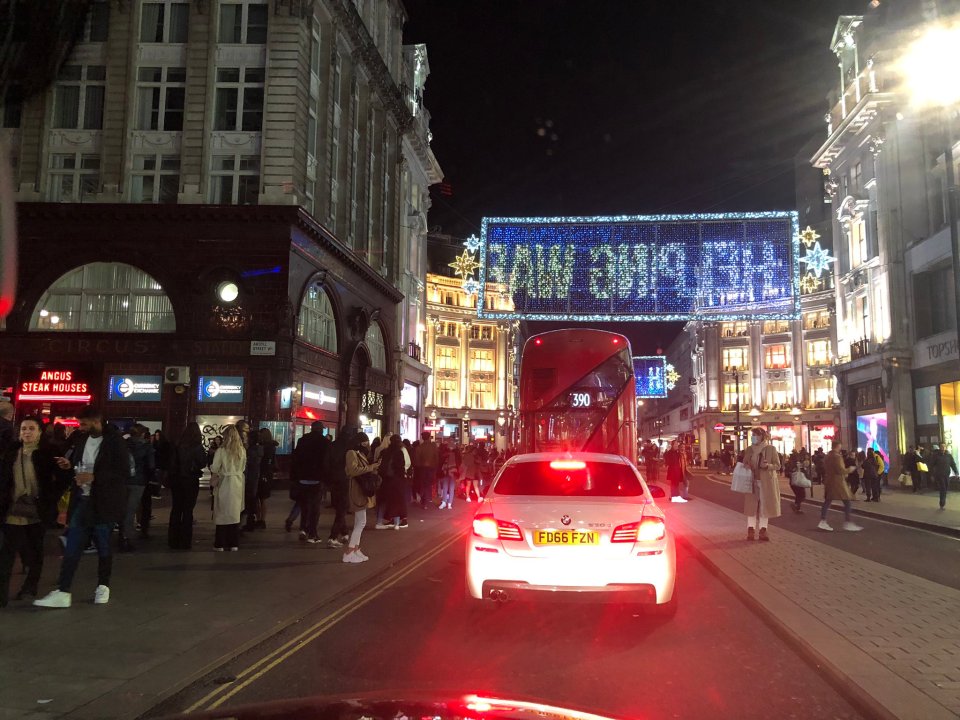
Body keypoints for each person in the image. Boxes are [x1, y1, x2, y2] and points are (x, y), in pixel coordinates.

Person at [35, 406, 131, 608]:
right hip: (83, 499)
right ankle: (63, 589)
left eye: (84, 423)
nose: (81, 427)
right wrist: (69, 467)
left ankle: (103, 585)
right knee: (73, 544)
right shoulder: (81, 439)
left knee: (104, 544)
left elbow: (123, 471)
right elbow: (80, 465)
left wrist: (96, 477)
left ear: (96, 421)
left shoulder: (114, 442)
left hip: (104, 501)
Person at [0, 416, 71, 606]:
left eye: (31, 428)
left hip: (37, 510)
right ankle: (2, 595)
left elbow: (64, 477)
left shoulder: (49, 452)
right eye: (23, 429)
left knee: (34, 551)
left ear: (40, 431)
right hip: (12, 510)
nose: (27, 432)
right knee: (6, 553)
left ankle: (30, 585)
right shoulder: (12, 451)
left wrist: (51, 496)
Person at [166, 423, 207, 550]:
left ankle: (173, 539)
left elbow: (171, 462)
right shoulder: (197, 446)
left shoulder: (177, 444)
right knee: (188, 510)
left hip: (176, 480)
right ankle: (185, 541)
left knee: (176, 508)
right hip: (190, 479)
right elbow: (202, 462)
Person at [288, 421, 328, 543]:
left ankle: (303, 529)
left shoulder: (302, 440)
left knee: (304, 506)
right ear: (321, 429)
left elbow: (295, 459)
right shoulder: (325, 443)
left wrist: (294, 477)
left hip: (302, 479)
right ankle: (312, 533)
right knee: (315, 508)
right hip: (317, 479)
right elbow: (326, 462)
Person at [343, 432, 380, 562]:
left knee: (359, 522)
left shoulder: (359, 453)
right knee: (361, 522)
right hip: (356, 490)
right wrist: (371, 467)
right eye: (365, 442)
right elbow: (353, 470)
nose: (367, 444)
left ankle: (356, 549)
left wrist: (372, 467)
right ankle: (349, 552)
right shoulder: (351, 453)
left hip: (360, 490)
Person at [741, 427, 781, 541]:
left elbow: (778, 465)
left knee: (765, 507)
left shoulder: (770, 449)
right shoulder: (749, 449)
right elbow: (744, 462)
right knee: (751, 507)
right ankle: (751, 530)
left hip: (766, 482)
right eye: (752, 435)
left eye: (755, 435)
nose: (753, 437)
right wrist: (747, 465)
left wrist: (768, 466)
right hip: (752, 482)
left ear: (762, 436)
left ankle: (763, 530)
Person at [210, 425, 246, 551]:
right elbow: (243, 467)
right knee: (234, 513)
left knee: (222, 512)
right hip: (238, 483)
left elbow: (215, 467)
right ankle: (233, 543)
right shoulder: (241, 450)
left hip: (225, 482)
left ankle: (220, 543)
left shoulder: (221, 451)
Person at [120, 424, 155, 552]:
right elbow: (151, 465)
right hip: (139, 481)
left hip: (123, 480)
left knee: (124, 508)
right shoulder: (146, 446)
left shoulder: (123, 445)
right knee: (131, 509)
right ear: (141, 434)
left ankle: (121, 535)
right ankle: (126, 538)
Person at [818, 439, 864, 532]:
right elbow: (840, 470)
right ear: (838, 446)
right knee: (847, 501)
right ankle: (847, 522)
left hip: (829, 481)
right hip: (838, 482)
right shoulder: (837, 457)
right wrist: (850, 469)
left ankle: (823, 520)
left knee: (827, 501)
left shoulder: (827, 456)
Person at [325, 426, 355, 548]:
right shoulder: (349, 447)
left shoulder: (332, 445)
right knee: (342, 508)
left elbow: (326, 462)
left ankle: (344, 533)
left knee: (339, 507)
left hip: (333, 479)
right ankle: (332, 537)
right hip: (344, 479)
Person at [375, 434, 407, 530]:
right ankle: (396, 524)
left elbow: (380, 464)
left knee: (383, 501)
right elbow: (401, 467)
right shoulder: (399, 452)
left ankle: (379, 522)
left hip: (385, 480)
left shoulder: (385, 451)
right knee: (396, 500)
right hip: (396, 480)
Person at [237, 421, 263, 531]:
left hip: (248, 480)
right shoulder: (257, 450)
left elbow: (247, 466)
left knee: (246, 504)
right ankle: (248, 522)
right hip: (252, 480)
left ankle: (241, 525)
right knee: (250, 503)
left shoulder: (250, 451)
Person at [257, 427, 278, 529]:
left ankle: (259, 519)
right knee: (263, 498)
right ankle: (262, 519)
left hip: (262, 473)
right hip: (267, 474)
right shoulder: (272, 447)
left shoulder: (263, 447)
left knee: (259, 498)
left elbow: (264, 461)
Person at [413, 431, 439, 509]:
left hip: (422, 468)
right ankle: (428, 499)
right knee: (429, 484)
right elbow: (437, 458)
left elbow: (416, 461)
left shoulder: (419, 448)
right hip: (432, 468)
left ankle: (424, 501)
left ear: (422, 438)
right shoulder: (433, 447)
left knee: (423, 484)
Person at [930, 444, 959, 510]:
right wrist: (932, 475)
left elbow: (953, 464)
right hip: (939, 475)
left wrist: (956, 472)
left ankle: (942, 502)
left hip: (946, 474)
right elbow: (931, 465)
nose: (942, 448)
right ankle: (942, 504)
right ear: (940, 448)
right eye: (941, 447)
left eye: (944, 446)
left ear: (945, 448)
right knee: (943, 488)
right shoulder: (936, 456)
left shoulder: (949, 456)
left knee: (945, 487)